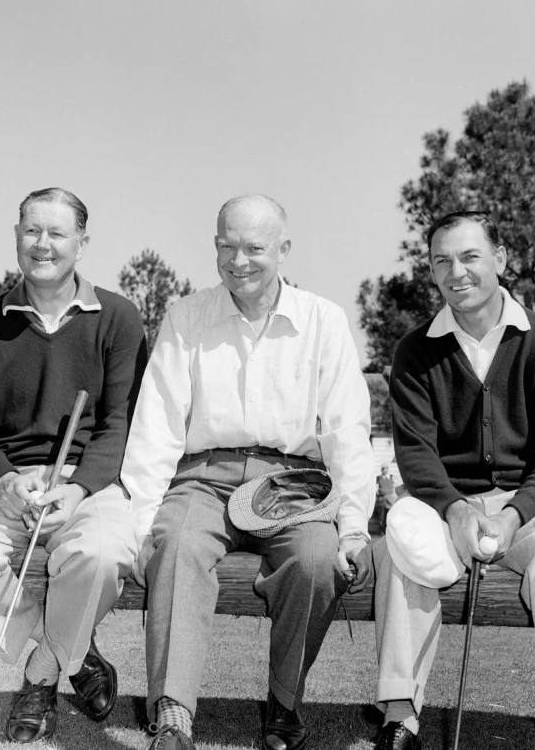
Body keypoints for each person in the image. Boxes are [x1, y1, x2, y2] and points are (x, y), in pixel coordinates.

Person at [120, 194, 377, 750]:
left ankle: (284, 702)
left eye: (254, 247)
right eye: (226, 245)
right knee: (177, 545)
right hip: (202, 478)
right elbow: (157, 426)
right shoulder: (186, 317)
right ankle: (173, 717)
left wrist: (354, 528)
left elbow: (347, 434)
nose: (239, 260)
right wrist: (141, 525)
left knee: (317, 561)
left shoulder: (324, 320)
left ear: (284, 250)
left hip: (292, 483)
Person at [0, 188, 147, 744]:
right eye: (32, 231)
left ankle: (41, 675)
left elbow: (121, 423)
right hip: (5, 485)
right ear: (16, 236)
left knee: (103, 553)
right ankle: (71, 651)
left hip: (88, 484)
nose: (43, 244)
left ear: (82, 243)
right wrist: (4, 480)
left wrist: (80, 487)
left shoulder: (118, 318)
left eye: (57, 233)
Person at [370, 211, 535, 750]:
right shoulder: (414, 350)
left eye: (470, 256)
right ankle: (400, 716)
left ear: (501, 259)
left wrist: (514, 513)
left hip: (532, 505)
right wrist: (456, 510)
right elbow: (416, 455)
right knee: (401, 550)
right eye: (441, 261)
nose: (457, 272)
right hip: (444, 504)